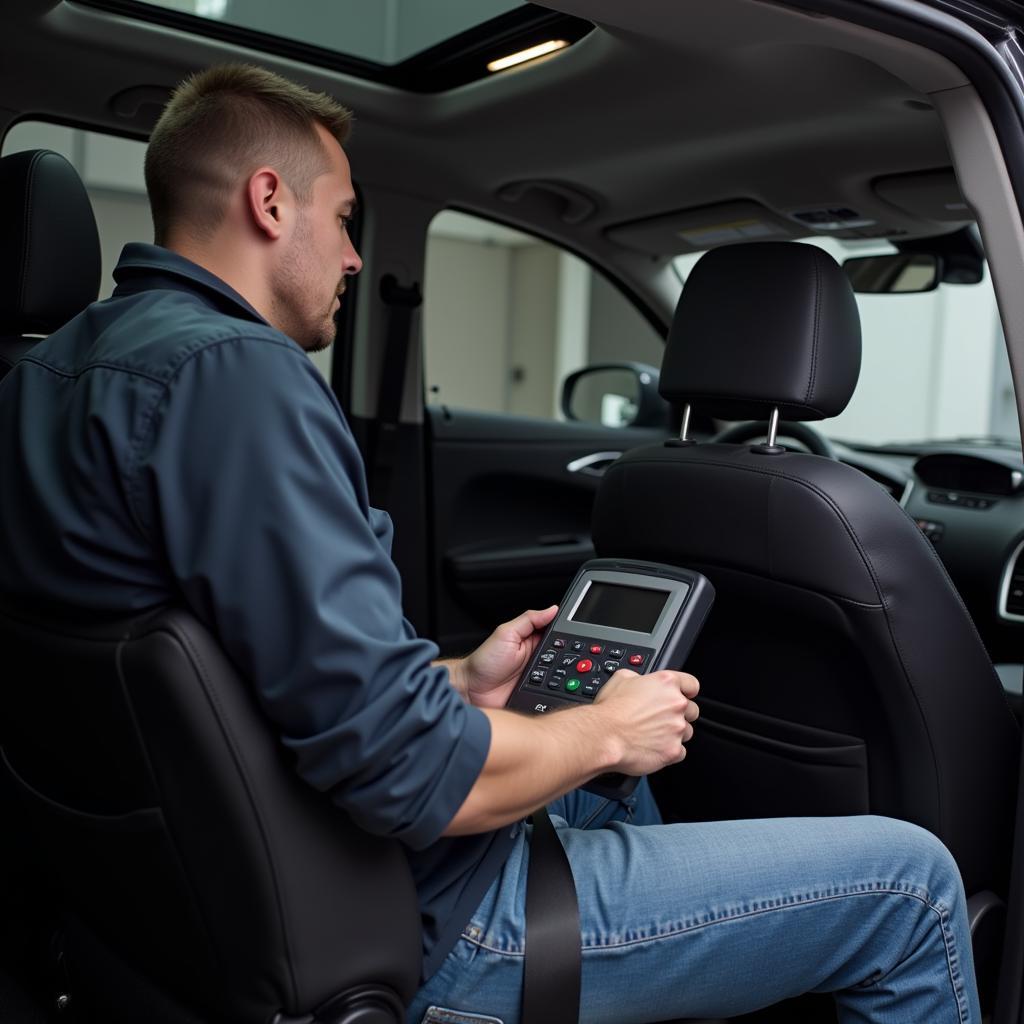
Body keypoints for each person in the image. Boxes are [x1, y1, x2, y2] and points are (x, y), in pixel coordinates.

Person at [0, 64, 980, 1024]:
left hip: (192, 910)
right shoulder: (232, 376)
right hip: (425, 922)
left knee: (612, 789)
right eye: (344, 217)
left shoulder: (45, 383)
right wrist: (605, 728)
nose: (351, 257)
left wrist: (457, 679)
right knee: (916, 885)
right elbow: (409, 772)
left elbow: (223, 680)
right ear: (268, 201)